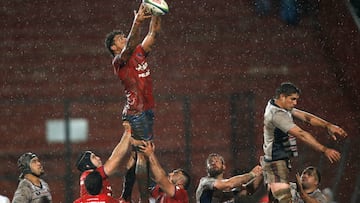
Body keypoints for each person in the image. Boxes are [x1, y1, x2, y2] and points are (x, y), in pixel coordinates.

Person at [104, 2, 162, 202]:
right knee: (144, 153)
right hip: (136, 111)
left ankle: (127, 196)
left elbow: (153, 34)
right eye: (120, 38)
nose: (124, 39)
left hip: (146, 108)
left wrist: (157, 12)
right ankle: (145, 198)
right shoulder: (119, 61)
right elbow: (129, 45)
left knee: (138, 156)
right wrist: (136, 23)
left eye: (123, 36)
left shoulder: (138, 51)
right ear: (113, 47)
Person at [261, 82, 348, 203]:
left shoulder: (280, 106)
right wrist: (325, 150)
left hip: (278, 163)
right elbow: (301, 134)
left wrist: (327, 125)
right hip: (275, 165)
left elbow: (306, 117)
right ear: (282, 97)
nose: (295, 103)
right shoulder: (277, 115)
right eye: (293, 99)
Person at [75, 121, 132, 197]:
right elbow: (116, 158)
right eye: (93, 157)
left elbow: (116, 161)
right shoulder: (89, 176)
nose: (98, 158)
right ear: (88, 165)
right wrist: (128, 133)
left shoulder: (92, 175)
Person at [195, 153, 263, 203]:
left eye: (216, 161)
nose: (213, 163)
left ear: (224, 166)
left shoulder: (228, 187)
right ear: (207, 169)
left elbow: (249, 189)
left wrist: (262, 171)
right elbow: (229, 184)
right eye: (210, 162)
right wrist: (252, 174)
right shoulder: (205, 182)